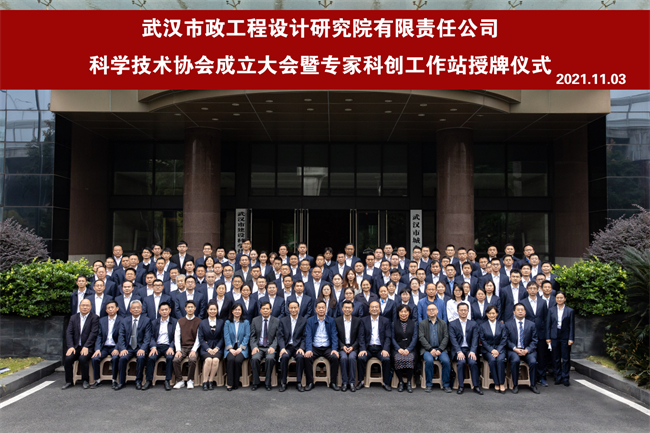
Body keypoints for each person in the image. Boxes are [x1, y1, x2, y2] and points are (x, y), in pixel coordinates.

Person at [62, 298, 100, 389]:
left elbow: (93, 333)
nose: (85, 307)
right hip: (76, 346)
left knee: (83, 358)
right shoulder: (73, 317)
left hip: (88, 346)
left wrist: (86, 346)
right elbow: (69, 332)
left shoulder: (94, 318)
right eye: (83, 305)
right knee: (67, 359)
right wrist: (71, 346)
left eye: (87, 305)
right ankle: (69, 381)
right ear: (79, 306)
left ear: (90, 307)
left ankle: (85, 380)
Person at [304, 300, 341, 391]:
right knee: (307, 357)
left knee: (335, 357)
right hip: (315, 347)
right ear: (315, 309)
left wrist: (334, 349)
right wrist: (308, 349)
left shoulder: (331, 320)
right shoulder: (310, 321)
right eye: (319, 308)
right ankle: (310, 382)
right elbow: (308, 336)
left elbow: (334, 335)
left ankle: (333, 382)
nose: (321, 309)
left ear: (326, 309)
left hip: (327, 347)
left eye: (323, 308)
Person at [115, 300, 151, 390]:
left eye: (138, 308)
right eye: (133, 308)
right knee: (122, 358)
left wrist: (143, 349)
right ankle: (121, 382)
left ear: (141, 309)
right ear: (130, 310)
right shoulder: (124, 321)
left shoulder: (146, 320)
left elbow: (147, 338)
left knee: (141, 358)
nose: (136, 309)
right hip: (128, 348)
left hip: (140, 347)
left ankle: (138, 381)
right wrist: (122, 349)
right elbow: (121, 336)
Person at [357, 300, 392, 392]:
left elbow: (388, 337)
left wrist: (385, 349)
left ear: (380, 309)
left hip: (380, 348)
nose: (374, 309)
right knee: (361, 358)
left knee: (386, 359)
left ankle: (385, 382)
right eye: (372, 307)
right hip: (368, 348)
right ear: (369, 310)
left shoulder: (385, 321)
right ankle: (361, 381)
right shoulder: (363, 320)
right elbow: (361, 336)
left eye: (376, 307)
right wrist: (362, 349)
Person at [449, 303, 483, 395]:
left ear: (468, 311)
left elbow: (475, 339)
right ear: (457, 311)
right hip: (458, 350)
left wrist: (473, 351)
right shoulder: (452, 324)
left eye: (465, 310)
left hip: (469, 349)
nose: (463, 312)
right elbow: (453, 340)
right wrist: (458, 351)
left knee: (473, 362)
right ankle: (461, 386)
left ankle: (476, 386)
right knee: (461, 362)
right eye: (461, 310)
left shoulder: (473, 324)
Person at [505, 303, 540, 394]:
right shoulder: (508, 324)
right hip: (513, 350)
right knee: (515, 360)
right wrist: (515, 348)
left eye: (522, 310)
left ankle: (533, 385)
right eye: (518, 310)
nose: (520, 312)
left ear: (525, 312)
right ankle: (515, 385)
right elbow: (506, 340)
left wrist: (527, 350)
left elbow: (535, 340)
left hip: (527, 350)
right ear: (514, 312)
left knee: (533, 362)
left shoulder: (531, 324)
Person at [419, 303, 452, 393]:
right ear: (426, 312)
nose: (431, 311)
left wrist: (440, 349)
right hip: (427, 350)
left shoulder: (443, 323)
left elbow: (446, 337)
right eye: (429, 310)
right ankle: (429, 384)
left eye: (433, 309)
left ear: (437, 311)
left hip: (441, 349)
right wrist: (430, 349)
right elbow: (421, 337)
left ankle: (446, 385)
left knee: (446, 361)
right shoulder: (422, 323)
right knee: (429, 361)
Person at [143, 301, 177, 391]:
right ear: (159, 311)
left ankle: (167, 380)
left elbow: (176, 337)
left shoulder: (175, 322)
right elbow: (151, 336)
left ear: (170, 310)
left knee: (170, 357)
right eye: (162, 310)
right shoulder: (154, 322)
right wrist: (153, 347)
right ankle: (149, 380)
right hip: (157, 346)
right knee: (151, 358)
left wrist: (171, 347)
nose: (164, 311)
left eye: (166, 309)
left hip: (168, 346)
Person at [521, 282, 549, 386]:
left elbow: (546, 319)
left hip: (541, 333)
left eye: (534, 288)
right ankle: (530, 377)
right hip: (527, 334)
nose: (532, 290)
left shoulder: (543, 302)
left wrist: (546, 334)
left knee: (542, 356)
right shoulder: (522, 302)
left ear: (538, 290)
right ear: (527, 289)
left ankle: (541, 377)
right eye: (530, 288)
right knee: (530, 355)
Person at [90, 300, 122, 389]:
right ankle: (97, 380)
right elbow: (99, 336)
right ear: (106, 310)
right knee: (95, 358)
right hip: (104, 347)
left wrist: (117, 348)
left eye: (112, 307)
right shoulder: (102, 320)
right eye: (108, 308)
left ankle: (114, 380)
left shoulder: (122, 320)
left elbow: (121, 336)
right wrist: (97, 349)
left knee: (115, 358)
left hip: (115, 346)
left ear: (117, 309)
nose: (110, 309)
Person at [546, 291, 575, 386]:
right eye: (557, 297)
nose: (559, 299)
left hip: (565, 336)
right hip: (554, 335)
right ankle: (557, 376)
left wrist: (571, 338)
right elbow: (548, 325)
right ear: (555, 299)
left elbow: (572, 326)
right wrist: (548, 337)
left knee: (566, 358)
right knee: (556, 358)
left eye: (561, 297)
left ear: (565, 299)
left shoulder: (570, 311)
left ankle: (565, 377)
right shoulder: (551, 310)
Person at [250, 301, 280, 391]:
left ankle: (267, 383)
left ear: (271, 310)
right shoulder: (255, 320)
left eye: (267, 309)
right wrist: (254, 347)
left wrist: (273, 347)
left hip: (270, 347)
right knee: (254, 359)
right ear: (260, 310)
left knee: (270, 359)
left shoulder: (276, 321)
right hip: (258, 347)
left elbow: (278, 336)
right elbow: (252, 336)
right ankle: (256, 382)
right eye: (263, 309)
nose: (265, 310)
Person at [278, 300, 308, 392]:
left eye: (295, 307)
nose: (293, 309)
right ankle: (283, 382)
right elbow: (280, 336)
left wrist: (302, 348)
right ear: (288, 309)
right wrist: (282, 348)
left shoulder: (303, 320)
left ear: (299, 308)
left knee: (300, 357)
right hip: (287, 346)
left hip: (298, 347)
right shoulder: (283, 320)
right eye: (291, 308)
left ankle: (299, 382)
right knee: (284, 357)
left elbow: (305, 336)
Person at [479, 305, 508, 393]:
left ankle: (501, 383)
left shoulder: (502, 325)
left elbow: (504, 339)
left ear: (497, 314)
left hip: (500, 349)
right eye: (489, 313)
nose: (491, 315)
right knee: (492, 360)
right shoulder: (482, 326)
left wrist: (498, 350)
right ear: (486, 314)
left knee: (500, 360)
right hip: (487, 350)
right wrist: (491, 350)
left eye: (493, 313)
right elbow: (483, 340)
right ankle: (496, 382)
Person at [172, 300, 201, 389]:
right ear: (185, 309)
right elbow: (177, 336)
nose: (190, 309)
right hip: (183, 347)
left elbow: (199, 338)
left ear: (195, 308)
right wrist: (178, 350)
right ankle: (180, 381)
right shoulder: (180, 321)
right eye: (188, 307)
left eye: (192, 307)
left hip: (193, 347)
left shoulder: (199, 321)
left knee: (192, 359)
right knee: (175, 360)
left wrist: (194, 350)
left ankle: (190, 380)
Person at [335, 300, 362, 391]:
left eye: (349, 308)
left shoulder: (357, 321)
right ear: (342, 309)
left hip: (353, 347)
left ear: (352, 309)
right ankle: (344, 382)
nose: (347, 309)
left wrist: (353, 347)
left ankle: (352, 382)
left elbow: (359, 337)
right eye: (345, 307)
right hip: (342, 347)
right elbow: (335, 336)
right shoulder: (337, 320)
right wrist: (342, 346)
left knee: (351, 358)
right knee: (343, 358)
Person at [198, 301, 225, 391]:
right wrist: (208, 349)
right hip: (206, 347)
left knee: (216, 360)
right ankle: (204, 381)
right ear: (207, 310)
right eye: (211, 309)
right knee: (209, 360)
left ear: (217, 310)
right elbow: (201, 338)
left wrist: (217, 348)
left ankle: (211, 381)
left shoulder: (221, 322)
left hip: (218, 347)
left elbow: (223, 337)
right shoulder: (202, 323)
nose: (212, 311)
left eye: (214, 309)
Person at [392, 304, 418, 392]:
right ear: (398, 313)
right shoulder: (393, 324)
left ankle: (409, 382)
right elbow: (392, 338)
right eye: (401, 311)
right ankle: (401, 382)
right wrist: (398, 349)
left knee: (410, 358)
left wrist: (408, 349)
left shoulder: (414, 323)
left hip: (410, 348)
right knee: (397, 358)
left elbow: (415, 338)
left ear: (409, 313)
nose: (403, 313)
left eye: (405, 312)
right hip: (397, 349)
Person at [224, 303, 250, 390]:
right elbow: (226, 336)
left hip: (242, 347)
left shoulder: (246, 322)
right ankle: (229, 383)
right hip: (230, 347)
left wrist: (241, 348)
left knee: (238, 360)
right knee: (231, 359)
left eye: (239, 310)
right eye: (235, 310)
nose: (237, 311)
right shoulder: (228, 322)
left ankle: (236, 382)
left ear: (241, 311)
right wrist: (230, 349)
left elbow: (247, 336)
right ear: (232, 311)